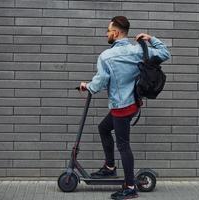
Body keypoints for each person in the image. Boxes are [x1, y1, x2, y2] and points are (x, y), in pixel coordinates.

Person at [79, 16, 170, 200]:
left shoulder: (106, 56)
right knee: (103, 128)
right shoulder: (138, 50)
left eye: (108, 30)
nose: (106, 33)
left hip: (121, 107)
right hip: (132, 105)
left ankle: (130, 187)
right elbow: (165, 53)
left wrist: (88, 86)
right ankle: (110, 168)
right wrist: (150, 38)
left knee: (123, 145)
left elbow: (101, 81)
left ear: (116, 32)